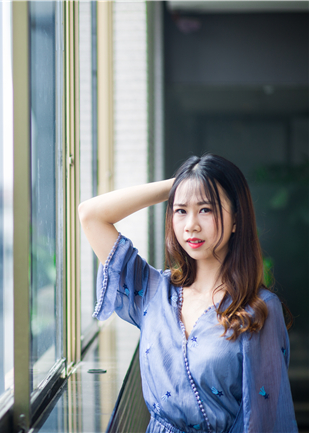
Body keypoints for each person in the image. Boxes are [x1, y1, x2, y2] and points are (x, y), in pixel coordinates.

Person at [78, 154, 297, 432]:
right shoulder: (153, 291)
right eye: (180, 211)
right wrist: (183, 183)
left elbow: (267, 417)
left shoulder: (259, 308)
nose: (191, 224)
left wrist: (191, 188)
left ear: (236, 221)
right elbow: (91, 214)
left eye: (206, 209)